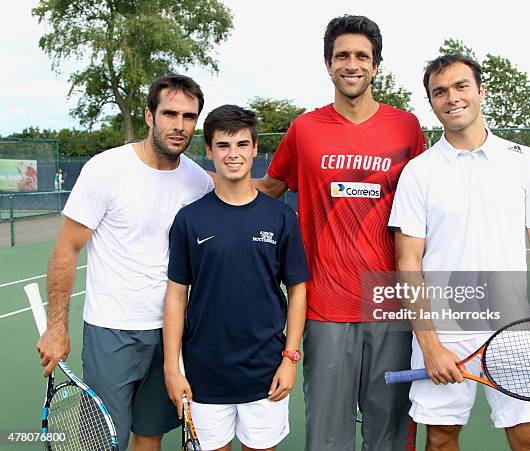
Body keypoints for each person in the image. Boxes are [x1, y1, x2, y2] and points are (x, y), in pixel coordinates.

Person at [253, 15, 426, 451]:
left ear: (376, 65)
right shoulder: (304, 130)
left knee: (388, 435)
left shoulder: (406, 127)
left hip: (389, 305)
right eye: (342, 55)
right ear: (328, 64)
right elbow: (267, 191)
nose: (352, 64)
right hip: (324, 306)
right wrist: (204, 185)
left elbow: (430, 205)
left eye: (361, 56)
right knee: (328, 438)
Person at [389, 54, 530, 450]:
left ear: (481, 91)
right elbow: (408, 261)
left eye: (461, 86)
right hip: (445, 329)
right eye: (440, 92)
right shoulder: (418, 172)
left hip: (515, 326)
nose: (452, 98)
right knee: (441, 439)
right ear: (431, 103)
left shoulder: (524, 162)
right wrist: (430, 345)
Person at [35, 74, 214, 451]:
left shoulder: (198, 183)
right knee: (105, 440)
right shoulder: (106, 169)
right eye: (169, 113)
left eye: (188, 116)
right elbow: (66, 250)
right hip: (111, 330)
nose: (179, 125)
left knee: (149, 434)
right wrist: (56, 329)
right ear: (149, 116)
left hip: (169, 333)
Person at [163, 105, 309, 451]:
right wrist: (172, 366)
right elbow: (175, 295)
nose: (233, 154)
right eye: (223, 146)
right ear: (209, 151)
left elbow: (298, 290)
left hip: (265, 371)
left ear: (255, 149)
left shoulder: (281, 217)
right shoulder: (189, 219)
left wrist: (290, 358)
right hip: (204, 372)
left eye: (242, 144)